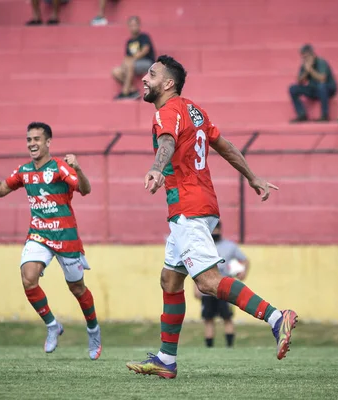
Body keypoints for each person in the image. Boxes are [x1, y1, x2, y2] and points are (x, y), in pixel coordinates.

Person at [126, 55, 298, 379]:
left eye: (151, 74)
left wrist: (155, 167)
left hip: (189, 207)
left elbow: (166, 142)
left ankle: (277, 317)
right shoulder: (195, 110)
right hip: (196, 206)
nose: (144, 79)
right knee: (170, 280)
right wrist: (252, 176)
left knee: (206, 282)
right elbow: (224, 145)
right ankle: (166, 359)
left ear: (168, 83)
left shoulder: (168, 112)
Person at [0, 122, 102, 359]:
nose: (32, 144)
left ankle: (93, 328)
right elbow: (0, 190)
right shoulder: (24, 171)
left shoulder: (61, 168)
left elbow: (86, 190)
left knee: (77, 288)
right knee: (28, 278)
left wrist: (79, 169)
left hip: (66, 236)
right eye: (29, 139)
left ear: (48, 142)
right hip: (39, 234)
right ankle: (52, 325)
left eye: (37, 139)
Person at [193, 221, 249, 348]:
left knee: (227, 317)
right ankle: (209, 348)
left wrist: (243, 272)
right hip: (206, 289)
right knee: (208, 319)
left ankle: (229, 347)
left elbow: (245, 261)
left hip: (225, 288)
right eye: (212, 229)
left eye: (217, 229)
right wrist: (195, 287)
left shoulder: (230, 246)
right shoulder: (202, 247)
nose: (215, 232)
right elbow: (196, 269)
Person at [289, 44, 337, 122]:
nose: (305, 58)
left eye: (306, 56)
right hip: (314, 89)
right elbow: (299, 81)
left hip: (328, 89)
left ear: (312, 54)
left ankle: (324, 115)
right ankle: (302, 114)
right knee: (293, 88)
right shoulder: (305, 64)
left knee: (322, 86)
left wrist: (310, 69)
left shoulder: (321, 62)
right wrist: (306, 71)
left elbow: (322, 79)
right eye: (303, 56)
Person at [112, 16, 156, 100]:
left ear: (139, 25)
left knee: (129, 63)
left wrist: (131, 60)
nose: (133, 27)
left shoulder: (144, 36)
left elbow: (145, 50)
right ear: (128, 27)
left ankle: (125, 92)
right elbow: (127, 57)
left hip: (147, 63)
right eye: (131, 25)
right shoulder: (129, 41)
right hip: (133, 65)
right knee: (115, 71)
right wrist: (124, 64)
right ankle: (133, 91)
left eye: (135, 25)